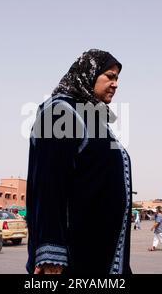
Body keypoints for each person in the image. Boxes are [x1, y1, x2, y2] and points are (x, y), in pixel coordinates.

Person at [26, 49, 132, 274]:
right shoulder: (60, 112)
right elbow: (48, 184)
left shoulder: (92, 118)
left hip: (99, 257)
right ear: (89, 74)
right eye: (110, 76)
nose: (115, 84)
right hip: (72, 260)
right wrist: (51, 253)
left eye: (117, 79)